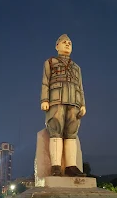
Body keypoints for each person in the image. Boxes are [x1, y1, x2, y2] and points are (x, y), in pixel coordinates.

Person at [40, 34, 86, 177]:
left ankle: (71, 166)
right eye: (64, 42)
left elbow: (80, 86)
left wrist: (83, 104)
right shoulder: (50, 62)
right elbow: (45, 81)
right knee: (56, 130)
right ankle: (56, 166)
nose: (67, 44)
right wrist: (44, 100)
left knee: (71, 132)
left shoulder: (76, 67)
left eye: (69, 43)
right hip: (56, 99)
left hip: (74, 101)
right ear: (57, 46)